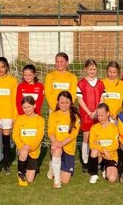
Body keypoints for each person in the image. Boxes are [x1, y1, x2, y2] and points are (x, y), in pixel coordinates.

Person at [45, 52, 78, 180]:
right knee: (54, 134)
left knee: (66, 133)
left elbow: (73, 94)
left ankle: (64, 162)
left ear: (67, 63)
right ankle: (53, 162)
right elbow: (48, 93)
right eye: (57, 61)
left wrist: (65, 107)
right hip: (54, 110)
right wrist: (56, 108)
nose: (59, 64)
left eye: (61, 61)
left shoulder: (72, 77)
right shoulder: (50, 76)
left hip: (67, 109)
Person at [48, 91, 81, 188]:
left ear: (71, 102)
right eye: (62, 102)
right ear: (58, 102)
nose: (64, 105)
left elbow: (74, 135)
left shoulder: (75, 116)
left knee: (65, 180)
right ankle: (57, 180)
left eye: (67, 102)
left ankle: (53, 166)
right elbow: (51, 132)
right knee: (57, 151)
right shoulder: (54, 115)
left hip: (68, 148)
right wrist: (55, 143)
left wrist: (61, 143)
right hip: (57, 146)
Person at [77, 59, 105, 172]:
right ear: (85, 69)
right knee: (86, 137)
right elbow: (80, 100)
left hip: (98, 115)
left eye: (94, 69)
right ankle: (85, 161)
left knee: (98, 136)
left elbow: (102, 99)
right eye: (90, 69)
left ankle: (99, 159)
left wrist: (97, 112)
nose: (92, 71)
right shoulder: (81, 83)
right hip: (86, 114)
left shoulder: (101, 83)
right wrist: (89, 112)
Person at [12, 96, 45, 186]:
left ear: (34, 106)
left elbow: (39, 136)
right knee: (23, 153)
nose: (26, 110)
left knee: (30, 180)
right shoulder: (19, 118)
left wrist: (31, 147)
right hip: (22, 148)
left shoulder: (40, 120)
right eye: (24, 107)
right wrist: (22, 146)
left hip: (33, 150)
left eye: (29, 107)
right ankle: (21, 174)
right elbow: (15, 135)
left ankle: (26, 167)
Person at [88, 103, 119, 184]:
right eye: (98, 115)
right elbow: (92, 144)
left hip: (111, 156)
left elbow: (116, 145)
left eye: (102, 115)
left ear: (108, 113)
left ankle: (106, 168)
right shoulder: (94, 128)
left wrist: (106, 151)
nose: (99, 118)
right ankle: (94, 174)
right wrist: (103, 150)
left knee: (112, 178)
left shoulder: (114, 128)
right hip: (100, 155)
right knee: (94, 151)